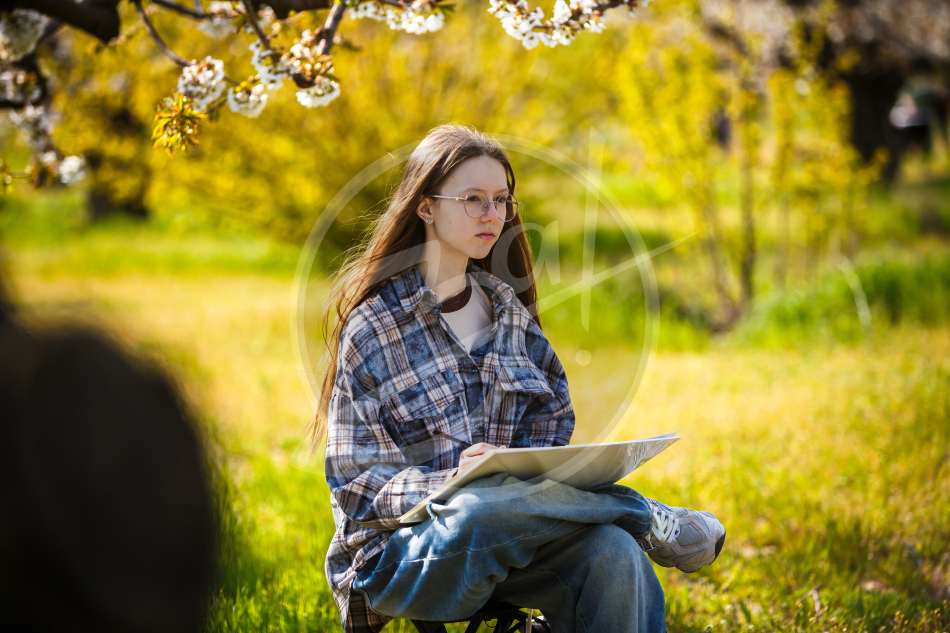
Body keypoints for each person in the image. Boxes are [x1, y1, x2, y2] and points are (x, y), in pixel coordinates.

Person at [310, 124, 726, 633]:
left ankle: (620, 526)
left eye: (502, 200)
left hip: (512, 542)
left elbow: (551, 430)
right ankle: (638, 514)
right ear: (425, 207)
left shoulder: (511, 318)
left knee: (614, 555)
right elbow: (355, 484)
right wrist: (455, 484)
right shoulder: (374, 325)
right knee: (476, 511)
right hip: (404, 554)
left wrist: (517, 473)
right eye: (473, 199)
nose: (492, 215)